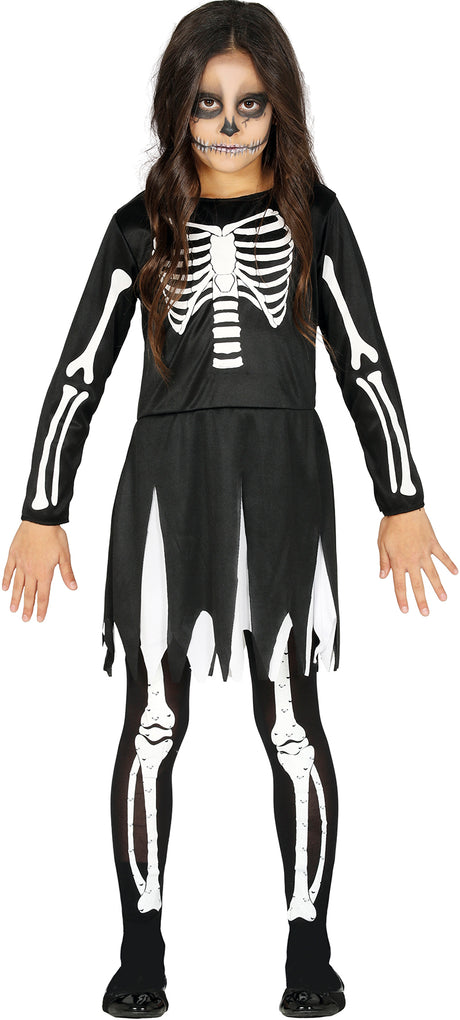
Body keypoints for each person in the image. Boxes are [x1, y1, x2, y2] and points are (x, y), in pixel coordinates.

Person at [2, 1, 457, 1017]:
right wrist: (43, 507)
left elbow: (364, 359)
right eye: (207, 102)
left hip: (282, 476)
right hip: (167, 481)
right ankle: (140, 946)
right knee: (152, 718)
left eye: (250, 103)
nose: (228, 122)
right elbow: (80, 371)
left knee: (291, 715)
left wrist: (402, 498)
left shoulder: (313, 219)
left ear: (280, 106)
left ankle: (309, 943)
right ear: (177, 106)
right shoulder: (139, 228)